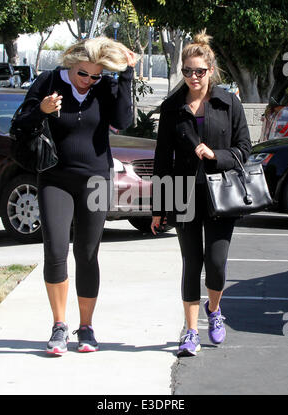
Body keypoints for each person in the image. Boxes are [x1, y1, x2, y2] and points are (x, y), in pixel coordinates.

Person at [14, 37, 136, 355]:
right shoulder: (50, 81)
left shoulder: (104, 86)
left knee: (87, 254)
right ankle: (58, 326)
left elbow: (122, 120)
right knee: (55, 251)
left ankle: (86, 327)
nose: (89, 82)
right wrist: (41, 110)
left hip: (95, 180)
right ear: (72, 65)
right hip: (55, 178)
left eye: (96, 76)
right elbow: (21, 123)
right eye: (84, 75)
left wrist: (126, 76)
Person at [151, 30, 251, 357]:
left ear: (210, 70)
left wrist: (215, 156)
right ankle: (191, 332)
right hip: (183, 195)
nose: (193, 78)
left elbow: (243, 150)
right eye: (187, 72)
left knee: (217, 264)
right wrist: (159, 206)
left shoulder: (228, 102)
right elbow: (162, 159)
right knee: (191, 263)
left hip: (221, 195)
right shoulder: (172, 108)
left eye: (199, 71)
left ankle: (215, 309)